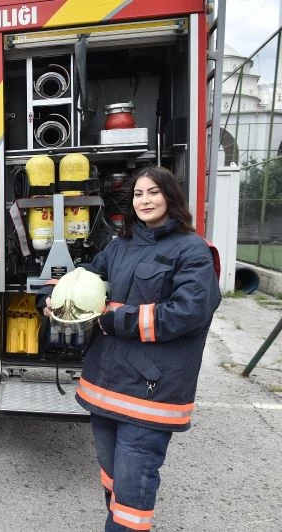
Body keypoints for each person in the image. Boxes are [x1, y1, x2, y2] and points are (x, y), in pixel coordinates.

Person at [41, 166, 221, 531]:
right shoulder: (120, 246)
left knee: (132, 492)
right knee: (113, 480)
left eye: (153, 192)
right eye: (139, 194)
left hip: (149, 395)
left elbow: (188, 313)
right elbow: (85, 277)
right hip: (105, 388)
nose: (145, 200)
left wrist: (114, 319)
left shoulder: (193, 251)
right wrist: (53, 295)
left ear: (171, 197)